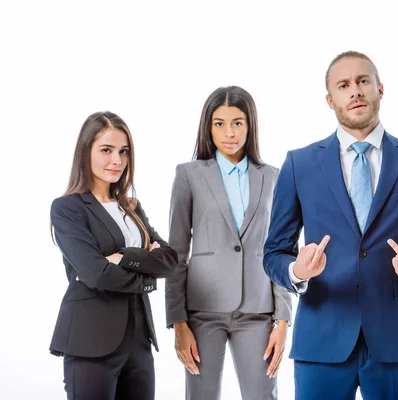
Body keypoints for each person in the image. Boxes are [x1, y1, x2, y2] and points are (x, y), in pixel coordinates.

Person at [263, 51, 398, 400]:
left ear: (380, 88)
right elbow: (273, 252)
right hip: (321, 341)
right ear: (330, 99)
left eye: (363, 81)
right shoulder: (299, 164)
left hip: (396, 343)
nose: (356, 91)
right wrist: (298, 271)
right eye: (344, 85)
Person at [166, 86, 292, 400]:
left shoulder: (273, 177)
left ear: (250, 126)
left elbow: (281, 250)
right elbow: (176, 255)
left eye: (237, 122)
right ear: (208, 128)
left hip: (258, 310)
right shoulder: (189, 175)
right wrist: (178, 320)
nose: (229, 132)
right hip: (202, 311)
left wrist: (283, 319)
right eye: (219, 123)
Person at [49, 111, 178, 399]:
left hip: (139, 340)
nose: (116, 160)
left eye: (123, 151)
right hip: (91, 340)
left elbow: (170, 260)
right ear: (86, 151)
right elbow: (96, 273)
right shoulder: (67, 208)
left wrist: (123, 257)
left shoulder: (131, 207)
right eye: (106, 150)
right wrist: (146, 272)